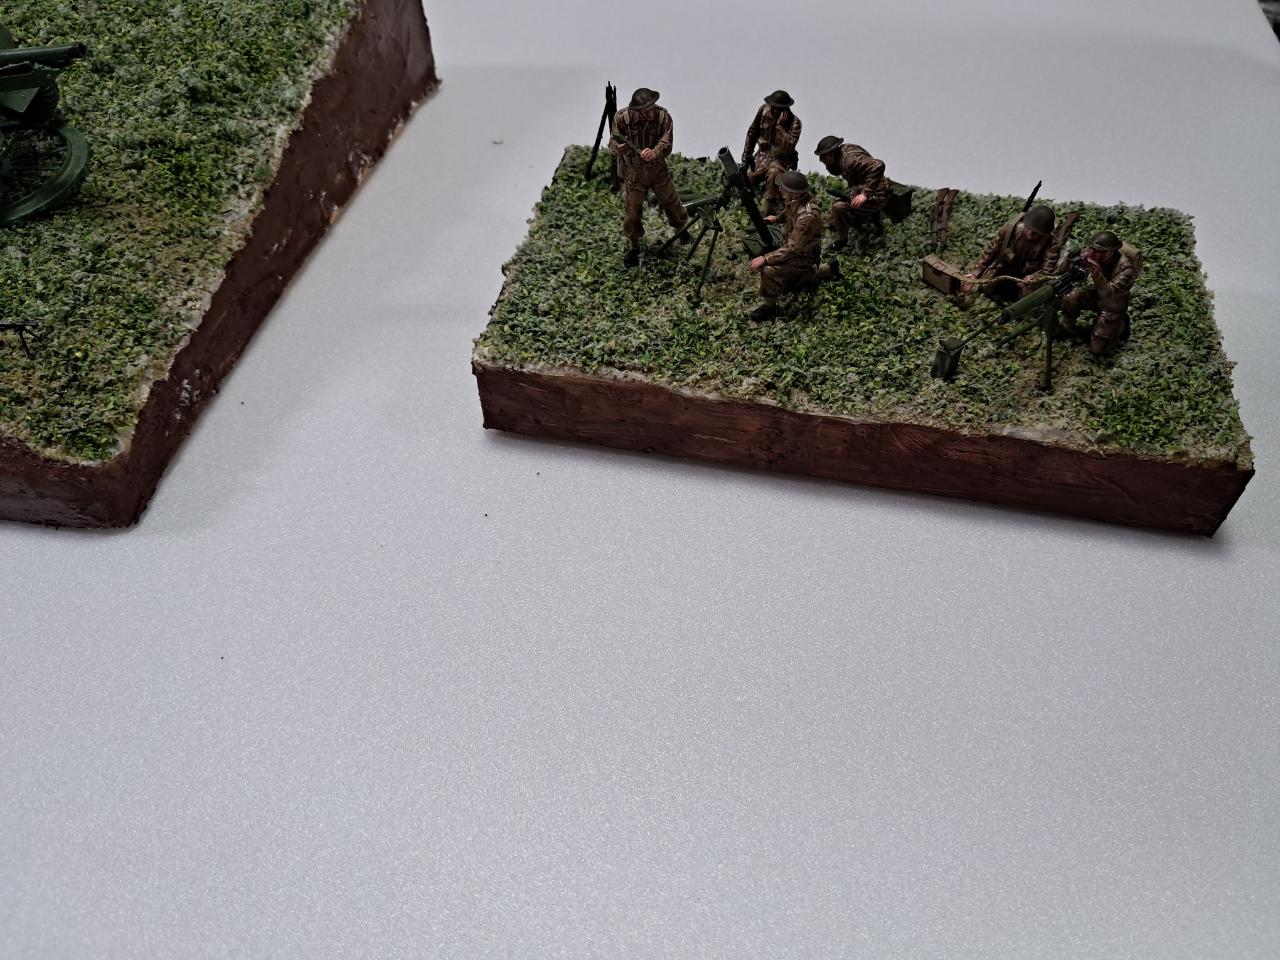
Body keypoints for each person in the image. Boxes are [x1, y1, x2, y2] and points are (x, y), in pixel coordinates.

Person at [608, 87, 689, 267]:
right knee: (632, 212)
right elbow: (613, 140)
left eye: (652, 107)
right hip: (634, 173)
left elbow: (666, 141)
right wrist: (617, 148)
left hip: (657, 170)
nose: (650, 113)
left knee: (671, 202)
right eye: (645, 111)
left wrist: (655, 152)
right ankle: (634, 246)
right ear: (636, 110)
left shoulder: (663, 117)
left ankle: (681, 230)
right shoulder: (621, 118)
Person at [747, 171, 840, 321]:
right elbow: (788, 213)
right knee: (798, 276)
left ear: (795, 193)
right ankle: (828, 269)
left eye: (784, 188)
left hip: (803, 256)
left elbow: (793, 249)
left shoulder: (807, 216)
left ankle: (769, 307)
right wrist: (776, 219)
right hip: (797, 249)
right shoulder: (795, 201)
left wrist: (766, 258)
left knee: (768, 270)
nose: (780, 190)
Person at [1058, 230, 1141, 356]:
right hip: (1097, 295)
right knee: (1071, 296)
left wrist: (1097, 275)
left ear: (1110, 253)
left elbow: (1109, 295)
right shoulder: (1091, 254)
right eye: (1090, 249)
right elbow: (1062, 273)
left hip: (1113, 304)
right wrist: (1069, 261)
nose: (1091, 254)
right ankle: (1068, 324)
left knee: (1097, 350)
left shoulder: (1126, 269)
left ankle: (1121, 325)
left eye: (1097, 251)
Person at [962, 204, 1061, 301]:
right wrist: (975, 273)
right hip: (1004, 268)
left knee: (1027, 299)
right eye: (1028, 228)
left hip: (1026, 277)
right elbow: (991, 251)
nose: (1030, 234)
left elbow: (1047, 271)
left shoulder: (1051, 244)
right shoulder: (1011, 230)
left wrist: (1033, 277)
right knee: (984, 287)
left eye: (1035, 233)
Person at [814, 135, 889, 250]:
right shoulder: (844, 152)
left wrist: (865, 194)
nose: (821, 161)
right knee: (843, 200)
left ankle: (843, 239)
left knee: (838, 207)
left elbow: (878, 165)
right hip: (863, 187)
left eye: (823, 157)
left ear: (831, 154)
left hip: (876, 196)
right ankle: (857, 219)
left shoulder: (850, 161)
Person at [741, 90, 802, 216]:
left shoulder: (795, 123)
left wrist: (780, 128)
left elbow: (788, 148)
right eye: (773, 106)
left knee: (774, 174)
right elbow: (752, 132)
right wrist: (746, 156)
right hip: (763, 156)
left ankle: (769, 210)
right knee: (747, 179)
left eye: (777, 108)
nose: (773, 110)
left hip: (781, 160)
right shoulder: (764, 111)